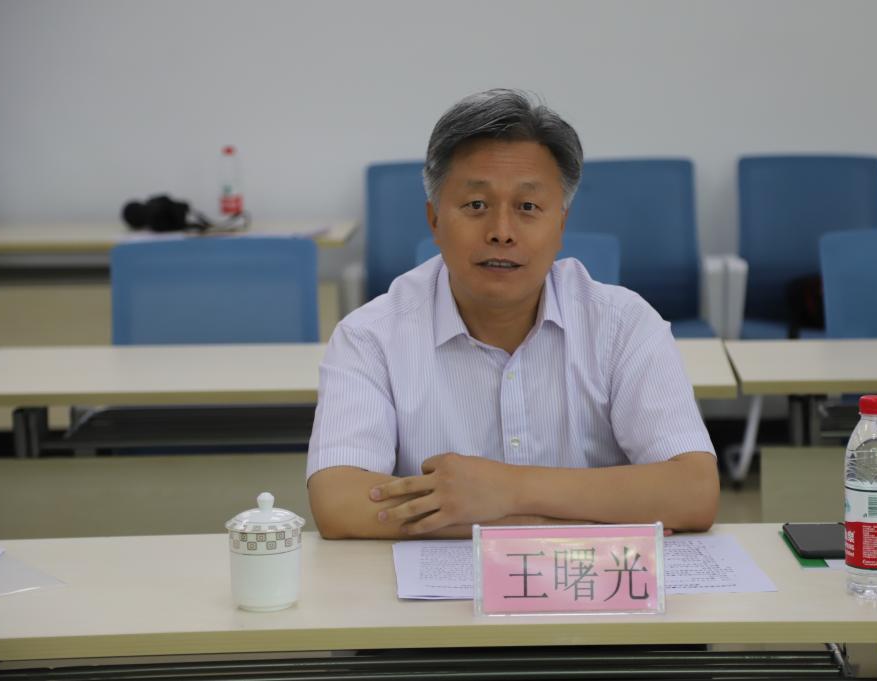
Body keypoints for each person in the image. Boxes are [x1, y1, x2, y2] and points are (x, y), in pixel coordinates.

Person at [307, 89, 718, 539]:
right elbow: (340, 501)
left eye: (527, 207)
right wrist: (546, 523)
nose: (501, 232)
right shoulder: (370, 336)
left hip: (592, 584)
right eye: (476, 206)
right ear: (434, 220)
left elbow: (694, 491)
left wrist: (507, 490)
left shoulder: (622, 324)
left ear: (560, 224)